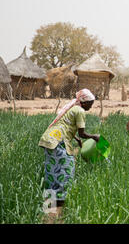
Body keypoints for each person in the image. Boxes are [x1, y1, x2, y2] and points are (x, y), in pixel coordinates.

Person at [38, 88, 99, 220]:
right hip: (58, 140)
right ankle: (61, 199)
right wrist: (95, 137)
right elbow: (82, 133)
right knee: (67, 167)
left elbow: (67, 125)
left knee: (52, 169)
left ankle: (51, 199)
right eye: (91, 103)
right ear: (85, 102)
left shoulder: (73, 108)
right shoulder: (80, 110)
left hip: (49, 138)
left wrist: (76, 139)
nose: (92, 105)